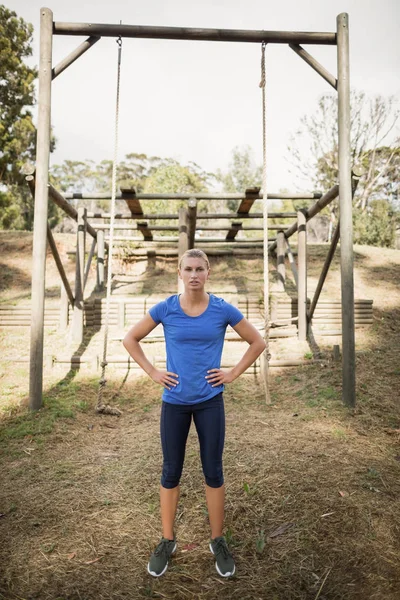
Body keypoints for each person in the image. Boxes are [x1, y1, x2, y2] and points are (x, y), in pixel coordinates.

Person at [123, 249, 266, 578]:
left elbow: (257, 342)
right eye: (188, 269)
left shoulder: (221, 309)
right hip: (174, 402)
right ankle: (167, 540)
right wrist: (154, 372)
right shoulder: (166, 308)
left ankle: (218, 540)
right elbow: (130, 338)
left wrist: (231, 373)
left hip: (209, 402)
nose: (194, 275)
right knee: (170, 470)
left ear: (208, 272)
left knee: (213, 471)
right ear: (179, 272)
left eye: (199, 269)